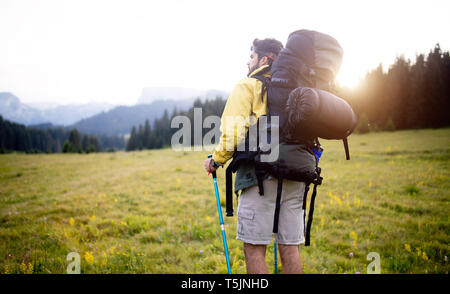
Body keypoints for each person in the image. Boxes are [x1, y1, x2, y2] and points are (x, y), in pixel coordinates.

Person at [204, 38, 306, 274]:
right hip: (297, 174)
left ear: (263, 59)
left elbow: (233, 132)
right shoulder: (297, 89)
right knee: (290, 248)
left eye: (251, 56)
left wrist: (216, 160)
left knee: (254, 248)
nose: (247, 61)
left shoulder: (248, 85)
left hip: (260, 176)